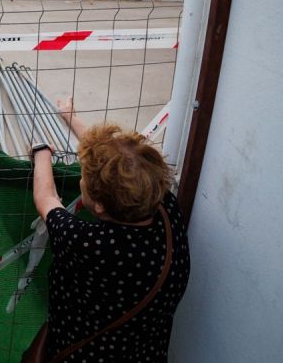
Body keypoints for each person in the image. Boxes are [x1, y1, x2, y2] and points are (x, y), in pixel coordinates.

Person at [25, 98, 190, 362]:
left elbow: (46, 199)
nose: (82, 179)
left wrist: (41, 153)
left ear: (98, 205)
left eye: (84, 179)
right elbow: (120, 161)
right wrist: (70, 117)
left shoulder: (89, 243)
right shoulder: (166, 209)